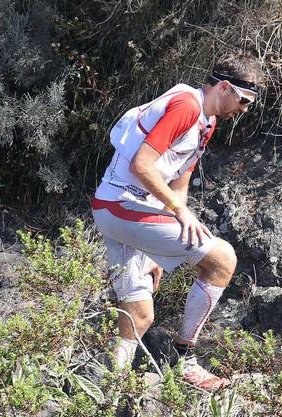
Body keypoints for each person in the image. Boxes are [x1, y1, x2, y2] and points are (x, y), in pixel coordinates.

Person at [91, 53, 264, 391]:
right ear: (225, 88)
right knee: (222, 259)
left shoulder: (207, 121)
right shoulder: (186, 106)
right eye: (243, 101)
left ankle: (108, 391)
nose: (243, 110)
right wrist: (178, 211)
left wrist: (156, 249)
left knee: (140, 314)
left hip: (120, 210)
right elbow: (142, 166)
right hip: (121, 205)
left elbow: (180, 185)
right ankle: (185, 360)